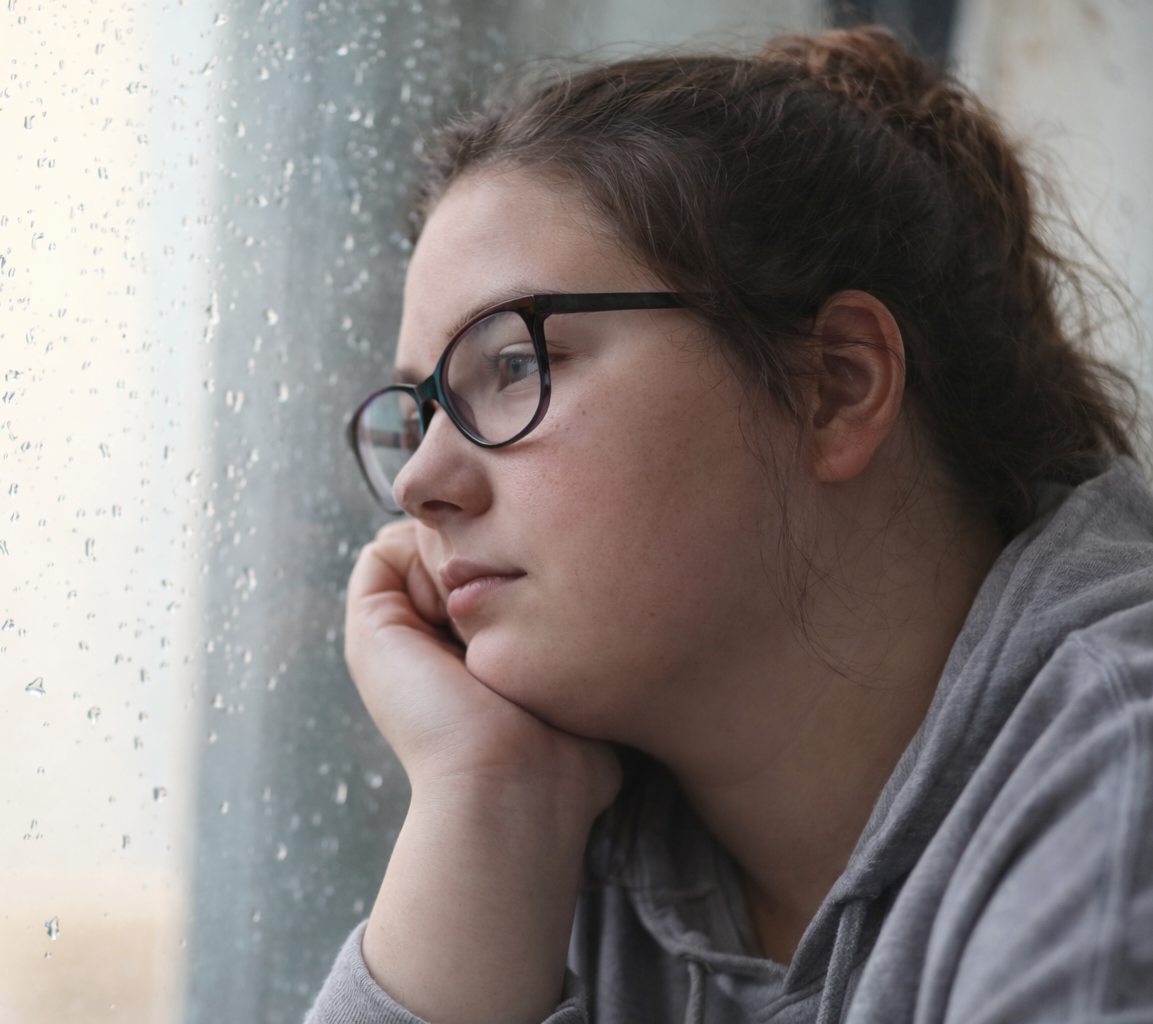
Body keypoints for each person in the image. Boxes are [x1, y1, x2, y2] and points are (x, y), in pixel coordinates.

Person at [305, 24, 1153, 1024]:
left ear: (836, 384)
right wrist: (487, 794)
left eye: (516, 364)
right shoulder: (560, 821)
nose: (422, 482)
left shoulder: (1118, 779)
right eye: (422, 411)